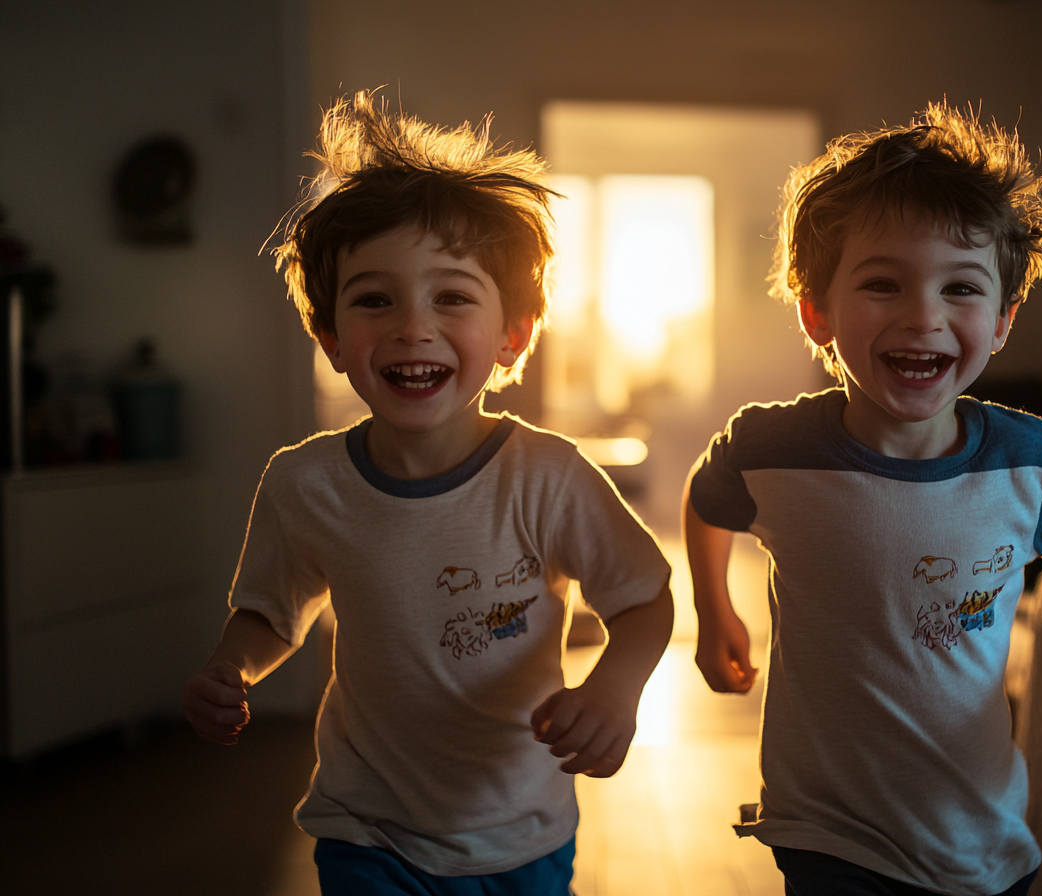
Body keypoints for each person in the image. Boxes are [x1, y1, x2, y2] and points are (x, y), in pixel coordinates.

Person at [684, 102, 1042, 896]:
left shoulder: (1024, 463)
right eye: (882, 284)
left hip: (978, 840)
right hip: (826, 830)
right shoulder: (773, 450)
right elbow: (708, 494)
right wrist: (713, 609)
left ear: (1001, 321)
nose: (922, 316)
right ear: (817, 311)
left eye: (959, 288)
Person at [181, 91, 673, 896]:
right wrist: (232, 666)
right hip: (365, 824)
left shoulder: (548, 476)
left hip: (521, 828)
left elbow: (646, 598)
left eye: (452, 296)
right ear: (332, 338)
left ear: (514, 332)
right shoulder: (303, 483)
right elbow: (273, 613)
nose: (414, 327)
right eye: (375, 299)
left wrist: (616, 690)